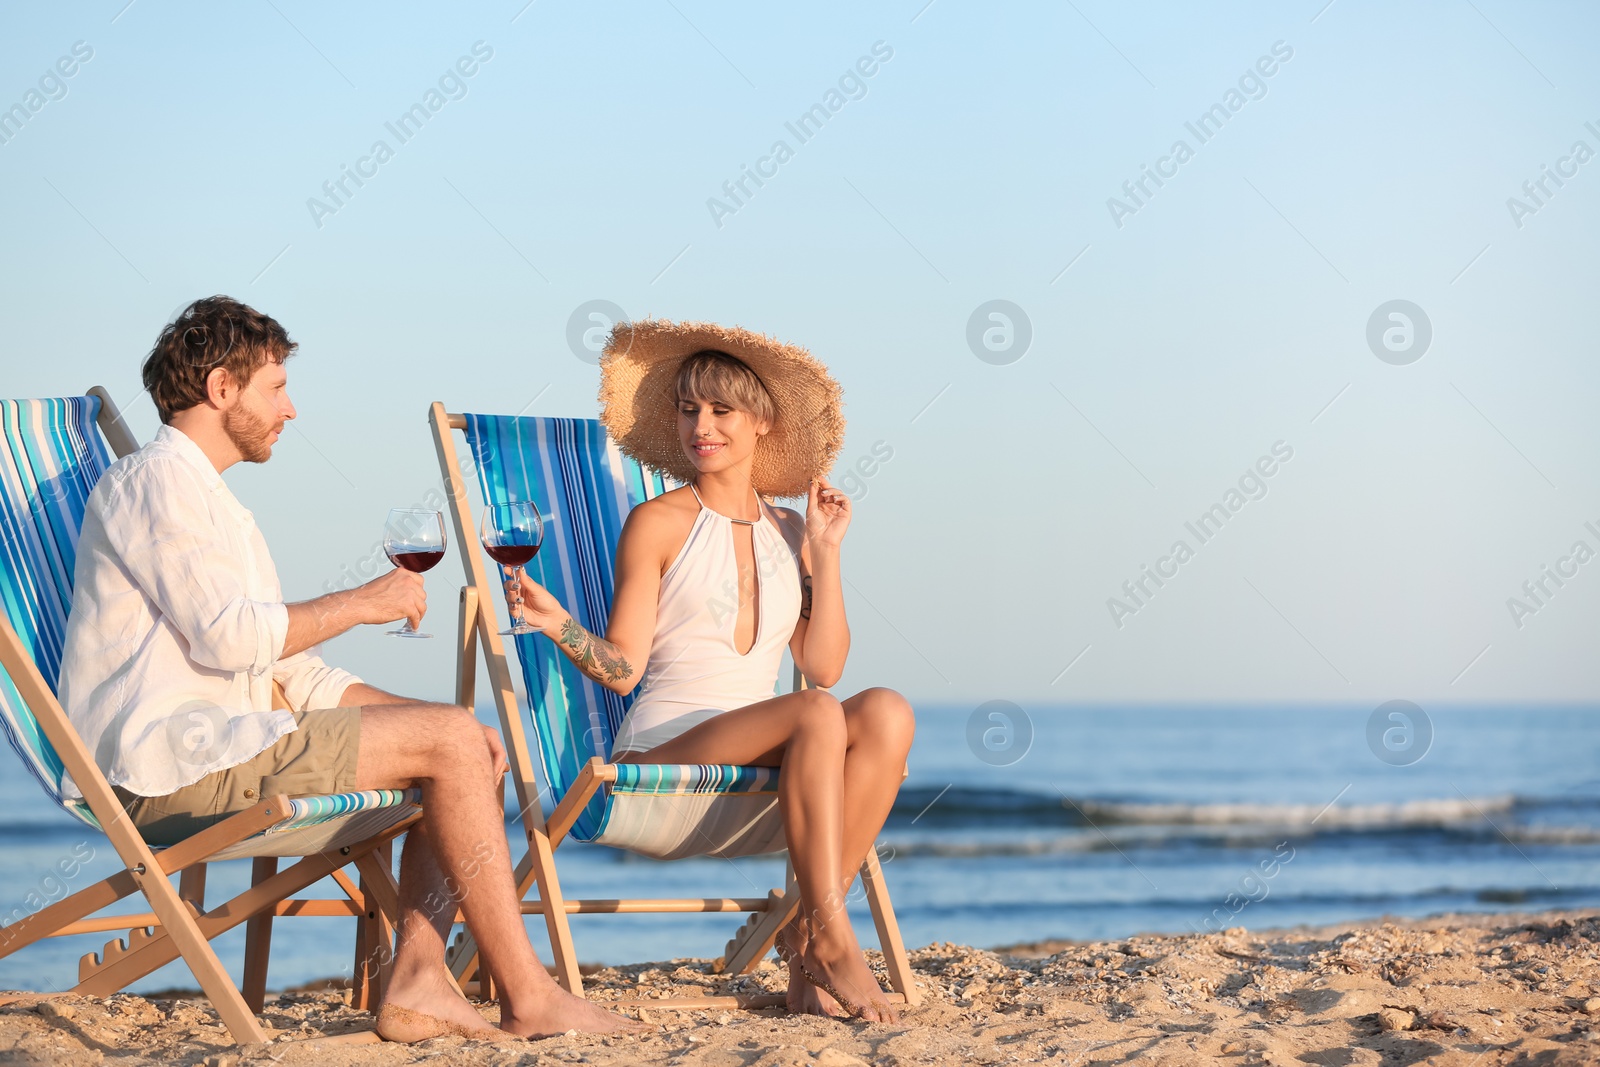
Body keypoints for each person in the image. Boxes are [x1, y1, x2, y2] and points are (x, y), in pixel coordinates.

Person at [58, 296, 644, 1043]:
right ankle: (528, 994)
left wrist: (438, 727)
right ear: (220, 388)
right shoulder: (154, 484)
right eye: (275, 387)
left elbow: (297, 673)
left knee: (463, 744)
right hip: (178, 762)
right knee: (454, 743)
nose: (291, 409)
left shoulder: (220, 509)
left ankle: (420, 982)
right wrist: (362, 602)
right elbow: (231, 638)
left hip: (236, 743)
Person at [503, 319, 915, 1022]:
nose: (702, 425)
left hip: (761, 770)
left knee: (886, 710)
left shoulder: (791, 531)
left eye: (721, 410)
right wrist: (561, 626)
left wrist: (826, 551)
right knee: (818, 711)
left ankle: (809, 927)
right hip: (664, 754)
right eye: (690, 409)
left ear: (760, 422)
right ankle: (831, 934)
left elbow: (822, 664)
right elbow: (624, 669)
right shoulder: (657, 523)